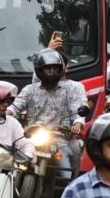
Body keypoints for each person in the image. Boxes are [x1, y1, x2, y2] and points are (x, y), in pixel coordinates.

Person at [11, 49, 87, 181]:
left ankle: (72, 188)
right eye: (48, 68)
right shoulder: (29, 89)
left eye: (56, 68)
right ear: (39, 70)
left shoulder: (71, 89)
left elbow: (77, 108)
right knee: (13, 166)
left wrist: (78, 123)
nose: (52, 71)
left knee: (67, 175)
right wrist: (7, 112)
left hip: (59, 141)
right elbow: (16, 106)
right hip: (31, 138)